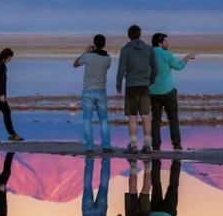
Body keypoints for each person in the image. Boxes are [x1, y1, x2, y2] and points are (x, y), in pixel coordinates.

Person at [149, 33, 196, 151]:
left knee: (156, 120)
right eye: (165, 42)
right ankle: (176, 145)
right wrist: (188, 57)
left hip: (153, 91)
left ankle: (155, 145)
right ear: (160, 43)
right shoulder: (166, 54)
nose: (167, 44)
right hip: (168, 91)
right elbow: (179, 66)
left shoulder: (148, 54)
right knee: (173, 118)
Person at [116, 25, 158, 153]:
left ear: (129, 35)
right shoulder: (149, 49)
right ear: (140, 34)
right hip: (144, 86)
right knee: (146, 115)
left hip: (131, 86)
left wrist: (118, 84)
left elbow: (121, 69)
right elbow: (155, 68)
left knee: (132, 116)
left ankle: (133, 145)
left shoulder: (126, 49)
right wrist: (151, 80)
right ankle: (147, 145)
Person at [73, 34, 112, 152]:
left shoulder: (88, 57)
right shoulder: (107, 59)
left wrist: (86, 52)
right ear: (104, 44)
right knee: (104, 119)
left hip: (88, 91)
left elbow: (75, 64)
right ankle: (105, 146)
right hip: (101, 91)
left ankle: (89, 146)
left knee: (87, 119)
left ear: (94, 44)